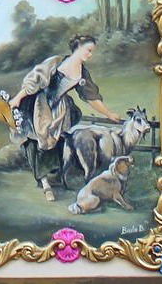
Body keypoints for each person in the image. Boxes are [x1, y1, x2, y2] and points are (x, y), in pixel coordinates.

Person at [9, 34, 123, 202]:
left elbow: (91, 97)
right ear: (77, 48)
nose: (90, 55)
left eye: (91, 52)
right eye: (88, 50)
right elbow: (35, 79)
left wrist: (108, 114)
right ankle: (44, 182)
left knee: (55, 141)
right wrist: (18, 97)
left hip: (59, 109)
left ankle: (55, 177)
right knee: (35, 140)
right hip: (39, 104)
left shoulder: (82, 73)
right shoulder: (57, 62)